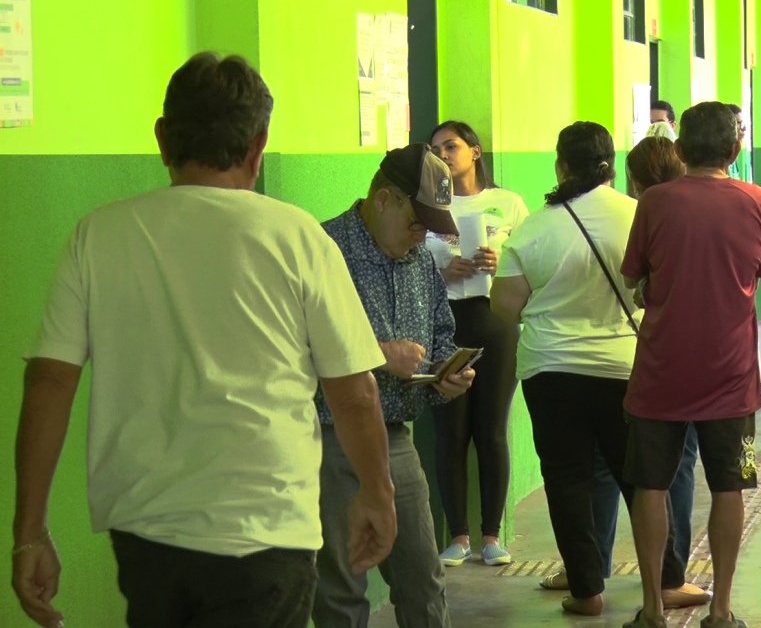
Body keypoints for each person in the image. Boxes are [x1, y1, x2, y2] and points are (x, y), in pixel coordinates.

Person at [12, 53, 397, 628]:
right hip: (269, 531)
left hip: (146, 532)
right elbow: (356, 395)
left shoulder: (99, 235)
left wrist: (29, 532)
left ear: (163, 139)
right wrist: (377, 495)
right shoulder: (298, 238)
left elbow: (49, 382)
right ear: (258, 144)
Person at [490, 124, 709, 617]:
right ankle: (667, 581)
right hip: (624, 369)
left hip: (550, 371)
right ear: (612, 164)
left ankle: (587, 590)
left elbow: (504, 305)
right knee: (642, 479)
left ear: (561, 165)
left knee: (567, 480)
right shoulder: (638, 214)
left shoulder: (535, 227)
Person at [622, 101, 761, 628]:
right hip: (737, 381)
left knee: (651, 484)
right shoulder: (757, 199)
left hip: (659, 375)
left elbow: (634, 276)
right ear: (736, 150)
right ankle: (723, 610)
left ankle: (652, 609)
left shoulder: (654, 202)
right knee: (736, 483)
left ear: (680, 150)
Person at [314, 144, 477, 628]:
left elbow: (440, 334)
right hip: (329, 438)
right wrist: (381, 354)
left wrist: (446, 375)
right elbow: (294, 347)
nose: (421, 235)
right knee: (342, 584)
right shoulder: (324, 252)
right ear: (383, 200)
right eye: (416, 222)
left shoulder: (420, 260)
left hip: (396, 438)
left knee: (422, 576)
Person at [425, 121, 529, 567]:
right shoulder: (428, 206)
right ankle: (458, 536)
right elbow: (411, 261)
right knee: (451, 432)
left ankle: (491, 536)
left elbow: (529, 261)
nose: (444, 154)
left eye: (451, 146)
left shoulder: (507, 203)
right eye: (436, 149)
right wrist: (443, 272)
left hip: (495, 320)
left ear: (475, 151)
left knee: (491, 430)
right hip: (446, 322)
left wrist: (498, 258)